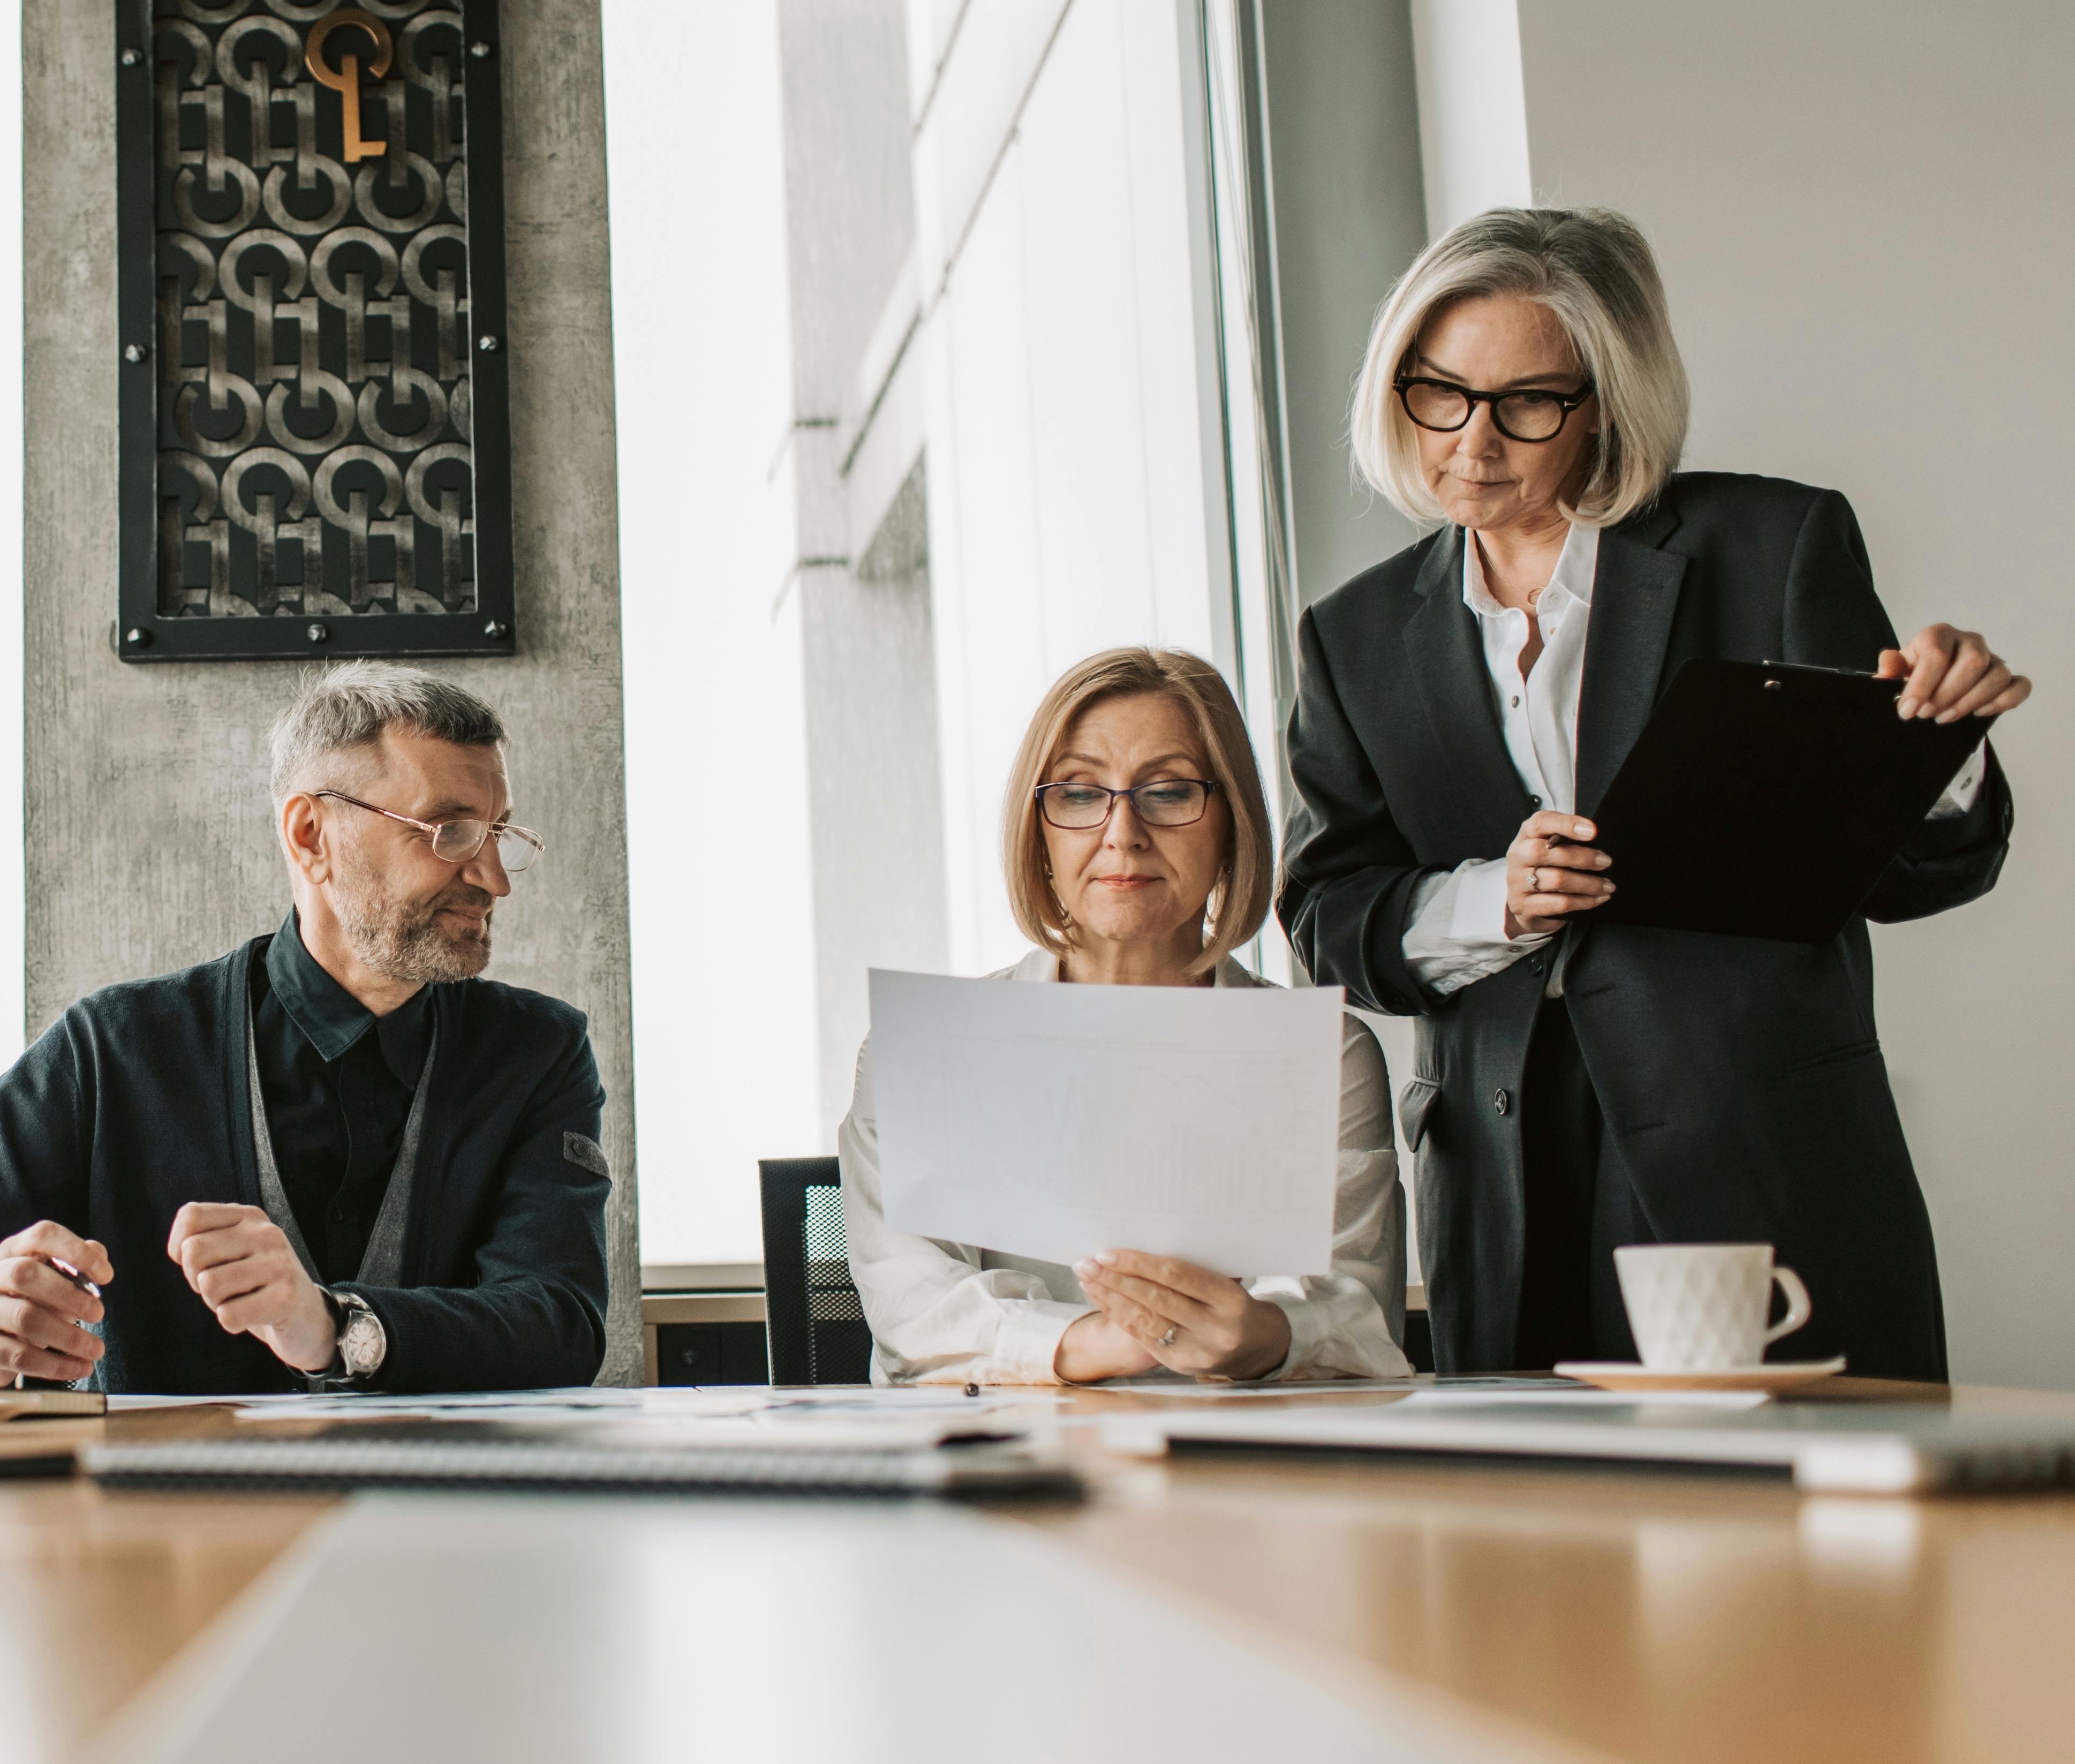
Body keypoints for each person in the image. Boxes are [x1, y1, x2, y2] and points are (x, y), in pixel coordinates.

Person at [1280, 207, 2021, 1381]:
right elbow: (1326, 914)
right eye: (1441, 393)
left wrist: (1937, 747)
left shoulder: (1774, 545)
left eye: (1527, 403)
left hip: (1755, 1153)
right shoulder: (1352, 635)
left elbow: (1910, 874)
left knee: (1809, 1497)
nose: (1472, 441)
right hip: (1504, 1179)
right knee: (1545, 1498)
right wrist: (1493, 901)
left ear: (1607, 402)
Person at [0, 664, 610, 1394]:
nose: (494, 878)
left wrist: (334, 1329)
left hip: (451, 1510)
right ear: (311, 836)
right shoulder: (111, 1052)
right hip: (168, 1515)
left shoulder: (538, 1053)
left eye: (499, 834)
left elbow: (563, 1326)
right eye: (450, 832)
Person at [837, 649, 1410, 1386]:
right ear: (1039, 833)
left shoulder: (1325, 1053)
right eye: (1080, 794)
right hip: (1006, 1444)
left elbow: (1354, 1314)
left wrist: (1263, 1336)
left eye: (1168, 792)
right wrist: (1104, 1342)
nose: (1122, 833)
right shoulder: (922, 1052)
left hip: (1239, 1445)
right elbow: (916, 1312)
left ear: (1231, 826)